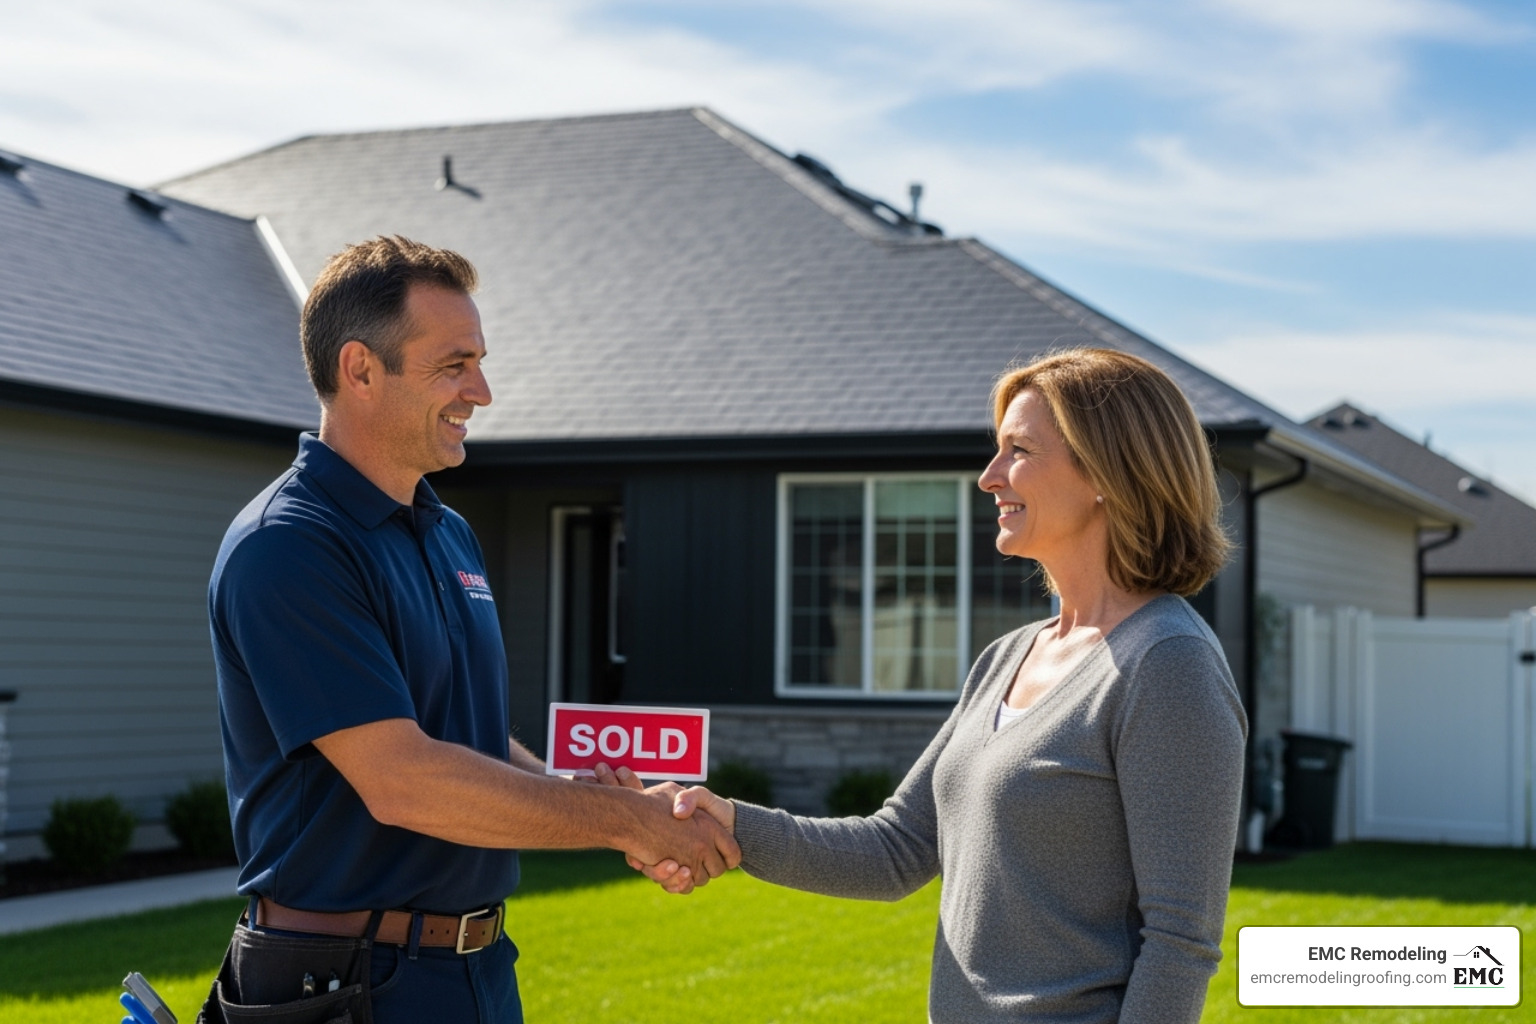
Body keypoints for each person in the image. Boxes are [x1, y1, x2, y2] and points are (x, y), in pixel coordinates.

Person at [202, 236, 738, 1024]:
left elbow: (465, 735)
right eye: (454, 364)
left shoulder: (447, 532)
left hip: (475, 968)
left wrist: (565, 789)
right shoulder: (289, 545)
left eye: (479, 361)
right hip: (341, 985)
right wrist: (629, 820)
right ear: (360, 370)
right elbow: (403, 779)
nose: (481, 391)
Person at [624, 348, 1247, 1023]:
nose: (989, 477)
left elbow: (1181, 943)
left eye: (1019, 450)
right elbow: (894, 850)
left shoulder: (1168, 663)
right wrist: (730, 822)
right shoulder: (1008, 656)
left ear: (1107, 473)